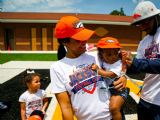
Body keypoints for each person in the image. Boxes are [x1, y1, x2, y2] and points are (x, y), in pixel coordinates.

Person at [50, 16, 127, 120]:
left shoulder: (95, 56)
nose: (84, 42)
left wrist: (123, 77)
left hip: (110, 117)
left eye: (85, 37)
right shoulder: (57, 68)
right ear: (64, 41)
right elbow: (66, 106)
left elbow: (119, 63)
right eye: (79, 39)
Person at [122, 1, 160, 120]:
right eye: (139, 24)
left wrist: (136, 63)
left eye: (145, 21)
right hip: (145, 99)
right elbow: (137, 69)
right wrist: (120, 65)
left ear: (156, 16)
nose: (143, 27)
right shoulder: (143, 42)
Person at [91, 37, 128, 120]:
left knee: (114, 108)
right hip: (109, 90)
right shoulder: (103, 61)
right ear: (101, 56)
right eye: (109, 54)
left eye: (116, 53)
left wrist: (98, 70)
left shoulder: (117, 63)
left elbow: (111, 75)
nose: (114, 56)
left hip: (118, 90)